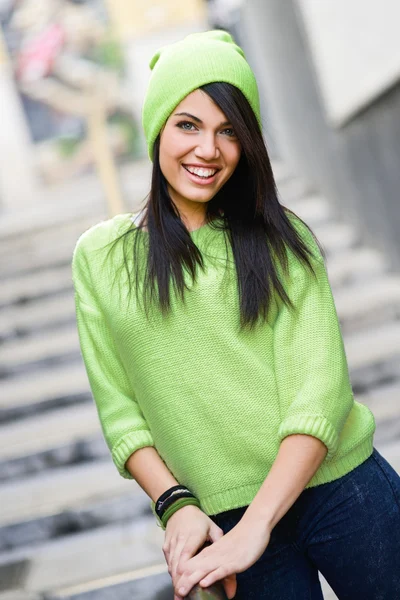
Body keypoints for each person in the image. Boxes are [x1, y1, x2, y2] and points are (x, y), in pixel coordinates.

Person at [71, 30, 400, 600]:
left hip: (342, 491)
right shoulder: (101, 259)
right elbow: (121, 412)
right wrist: (175, 504)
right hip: (223, 522)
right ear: (156, 130)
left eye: (229, 131)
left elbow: (318, 398)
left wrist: (257, 526)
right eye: (188, 125)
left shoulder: (282, 240)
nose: (208, 149)